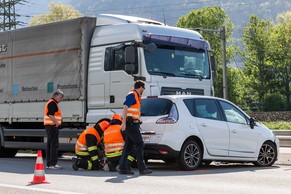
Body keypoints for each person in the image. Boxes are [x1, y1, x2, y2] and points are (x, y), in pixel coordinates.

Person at [118, 80, 152, 175]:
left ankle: (123, 167)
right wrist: (123, 122)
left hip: (133, 124)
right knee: (140, 144)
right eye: (143, 88)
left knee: (128, 146)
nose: (143, 90)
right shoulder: (132, 95)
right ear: (141, 87)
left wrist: (138, 119)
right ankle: (142, 168)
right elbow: (125, 107)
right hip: (131, 124)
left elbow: (133, 111)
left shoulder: (136, 96)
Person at [44, 90, 64, 169]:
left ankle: (49, 164)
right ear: (56, 95)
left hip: (49, 126)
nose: (61, 99)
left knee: (50, 145)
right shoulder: (52, 103)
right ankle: (53, 164)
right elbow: (50, 114)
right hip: (52, 126)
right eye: (61, 97)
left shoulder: (51, 102)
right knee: (54, 145)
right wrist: (57, 123)